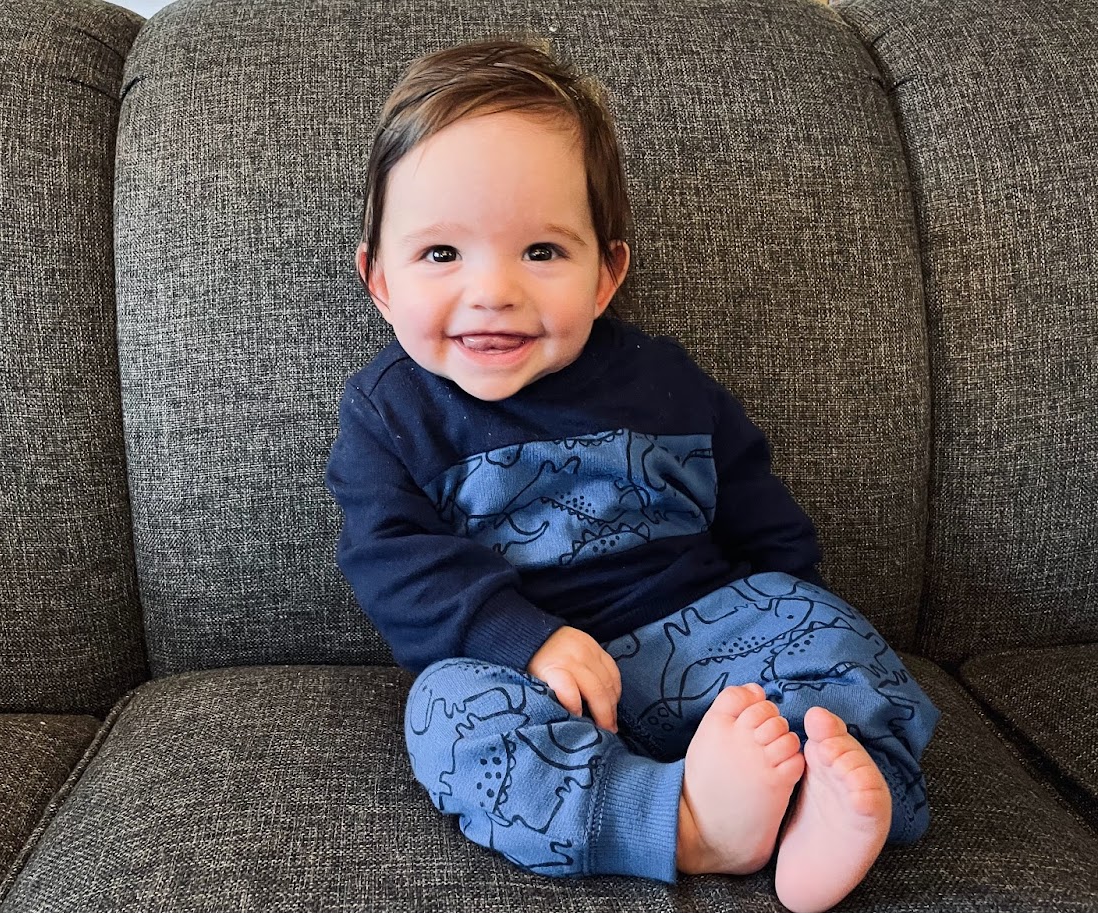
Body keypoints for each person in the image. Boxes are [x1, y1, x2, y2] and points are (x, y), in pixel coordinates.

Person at [325, 38, 939, 913]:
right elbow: (391, 561)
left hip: (705, 644)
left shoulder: (663, 378)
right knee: (445, 714)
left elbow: (755, 501)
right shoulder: (389, 412)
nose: (493, 289)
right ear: (378, 280)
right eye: (440, 255)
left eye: (541, 250)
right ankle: (683, 824)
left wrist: (785, 613)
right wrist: (517, 637)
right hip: (544, 686)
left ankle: (822, 799)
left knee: (824, 625)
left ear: (607, 272)